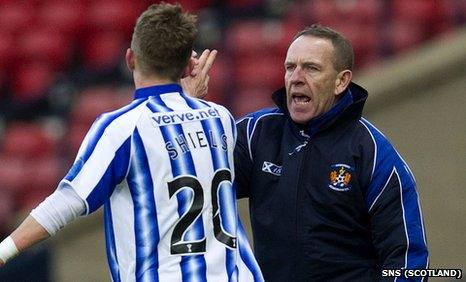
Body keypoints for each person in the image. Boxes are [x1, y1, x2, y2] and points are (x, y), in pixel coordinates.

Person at [0, 3, 264, 282]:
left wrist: (4, 250)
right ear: (189, 64)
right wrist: (190, 100)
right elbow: (185, 137)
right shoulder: (220, 117)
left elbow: (67, 202)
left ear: (130, 59)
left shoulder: (123, 127)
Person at [199, 24, 429, 281]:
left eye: (311, 68)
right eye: (290, 67)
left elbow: (408, 257)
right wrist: (183, 105)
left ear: (341, 81)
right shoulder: (256, 134)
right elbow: (192, 174)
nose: (296, 77)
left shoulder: (372, 152)